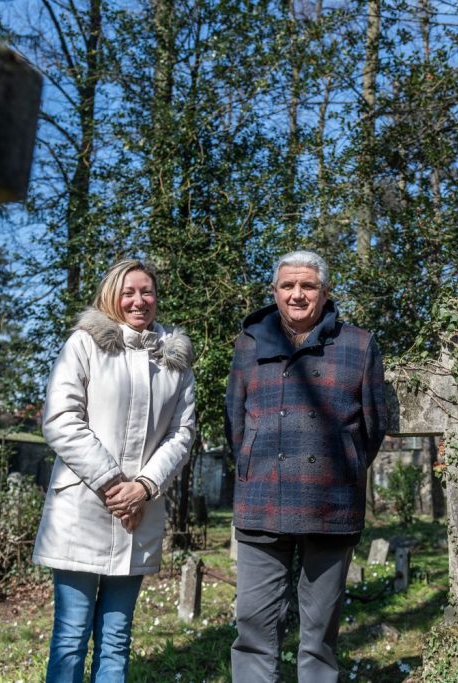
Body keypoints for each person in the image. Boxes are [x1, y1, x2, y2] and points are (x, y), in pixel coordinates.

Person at [225, 250, 387, 682]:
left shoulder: (358, 344)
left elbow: (373, 425)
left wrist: (343, 462)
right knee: (254, 627)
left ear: (325, 292)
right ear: (275, 292)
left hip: (331, 503)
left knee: (319, 635)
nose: (297, 295)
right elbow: (235, 424)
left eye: (308, 286)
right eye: (287, 286)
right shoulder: (250, 343)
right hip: (261, 498)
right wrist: (255, 463)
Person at [33, 259, 196, 683]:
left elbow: (182, 433)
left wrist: (143, 486)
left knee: (117, 636)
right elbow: (61, 420)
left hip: (139, 511)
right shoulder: (86, 345)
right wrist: (114, 483)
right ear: (112, 296)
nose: (138, 301)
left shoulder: (174, 358)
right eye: (129, 292)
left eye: (147, 292)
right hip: (83, 508)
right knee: (70, 634)